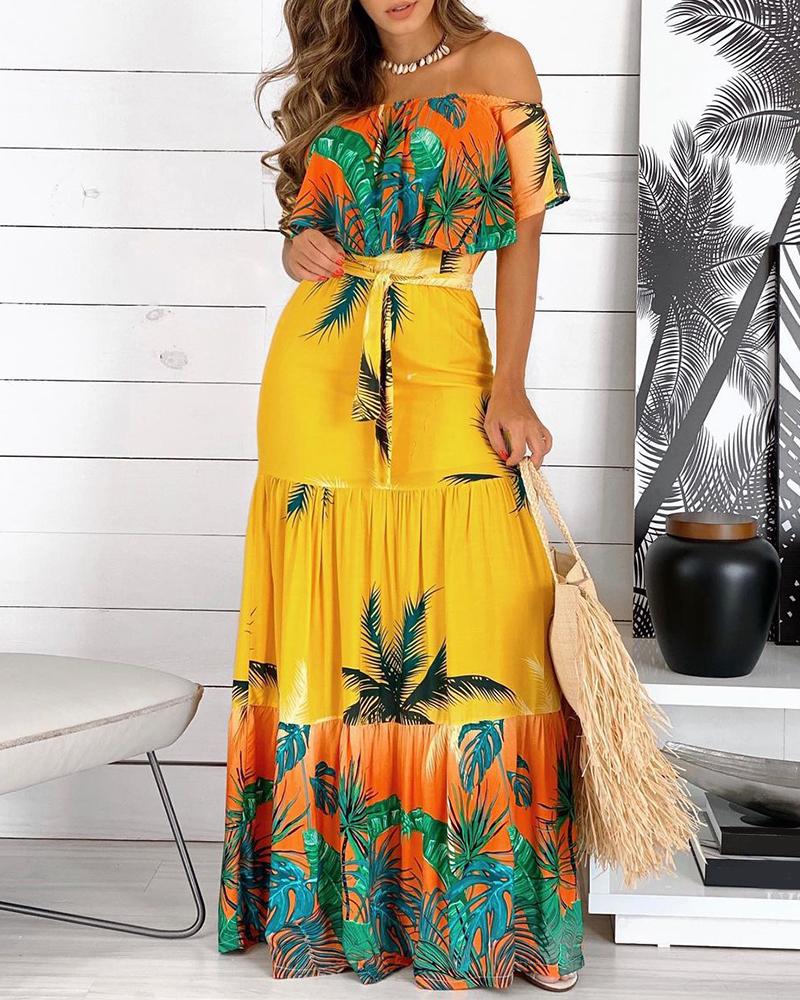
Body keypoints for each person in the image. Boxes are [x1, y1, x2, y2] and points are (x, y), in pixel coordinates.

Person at [217, 0, 583, 991]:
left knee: (480, 617)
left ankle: (479, 915)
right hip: (317, 366)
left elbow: (525, 234)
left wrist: (509, 384)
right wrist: (297, 243)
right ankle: (332, 913)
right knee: (326, 620)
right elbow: (312, 220)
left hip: (442, 348)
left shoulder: (498, 60)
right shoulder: (337, 80)